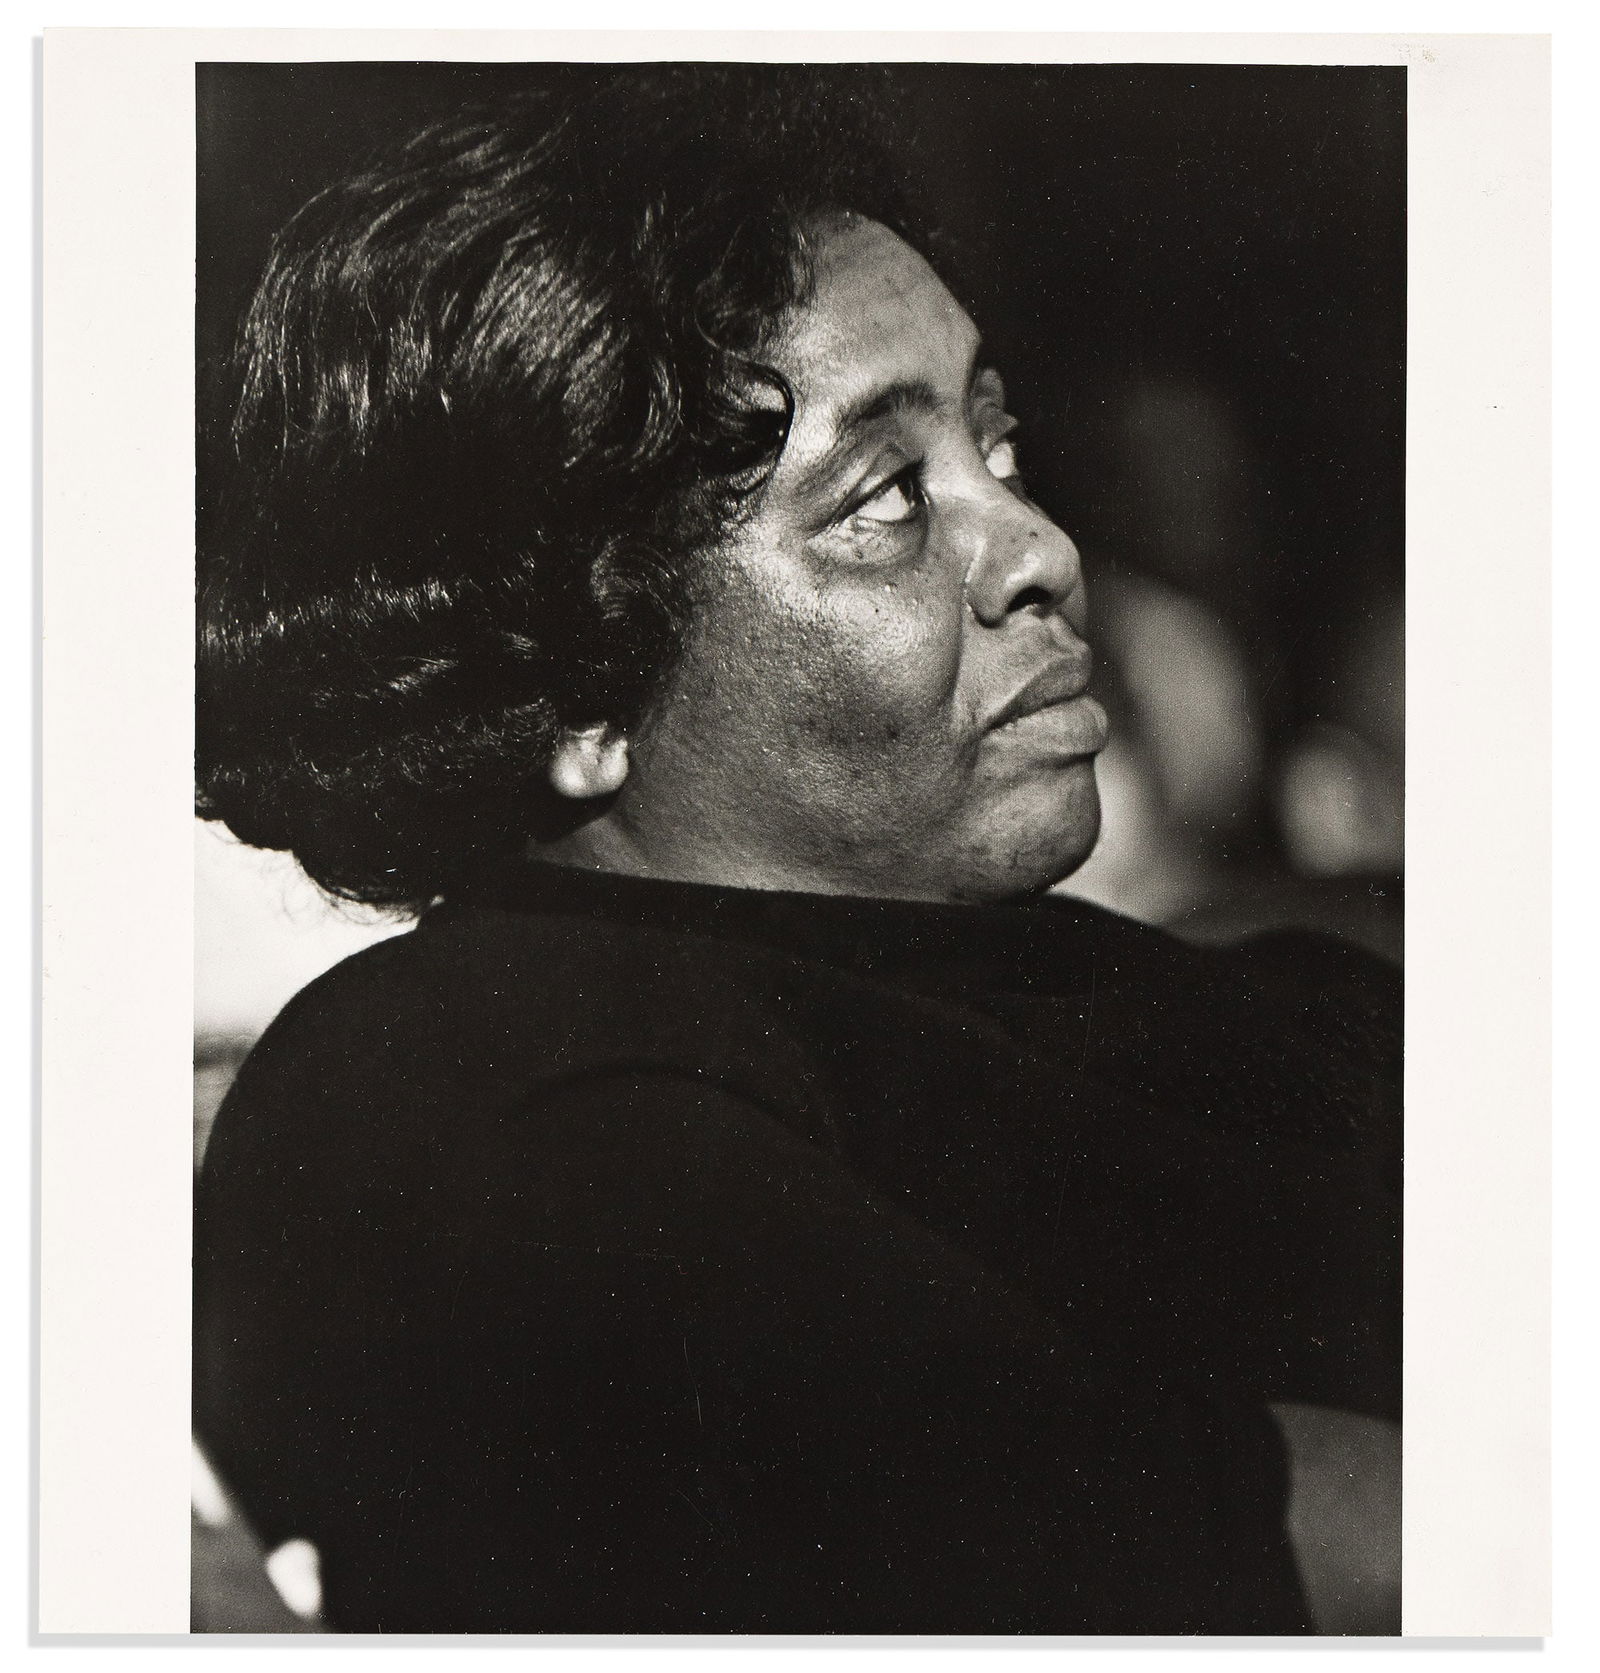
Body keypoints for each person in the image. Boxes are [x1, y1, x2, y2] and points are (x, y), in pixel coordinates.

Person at [194, 69, 1400, 1635]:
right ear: (575, 685)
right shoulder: (474, 1084)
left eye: (1001, 448)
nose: (1040, 554)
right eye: (889, 497)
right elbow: (1270, 1548)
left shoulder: (1060, 984)